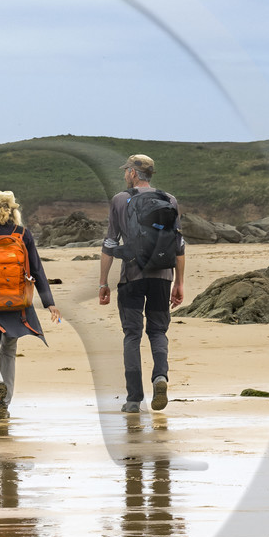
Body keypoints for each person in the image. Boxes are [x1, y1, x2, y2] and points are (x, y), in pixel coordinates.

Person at [97, 154, 185, 413]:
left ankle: (134, 399)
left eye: (127, 171)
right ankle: (160, 377)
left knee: (132, 335)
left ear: (134, 173)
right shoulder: (169, 200)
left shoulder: (120, 200)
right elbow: (178, 245)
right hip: (162, 277)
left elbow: (110, 243)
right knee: (158, 332)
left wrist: (103, 282)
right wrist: (179, 282)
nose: (125, 175)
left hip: (132, 278)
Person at [0, 190, 61, 421]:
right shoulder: (23, 234)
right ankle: (4, 403)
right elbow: (37, 269)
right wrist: (49, 303)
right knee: (8, 352)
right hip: (18, 302)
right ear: (14, 210)